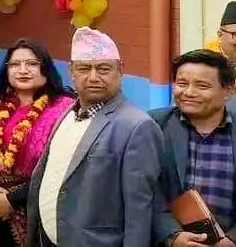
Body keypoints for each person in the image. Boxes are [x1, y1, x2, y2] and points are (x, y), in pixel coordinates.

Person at [26, 27, 164, 247]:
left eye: (103, 69)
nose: (93, 77)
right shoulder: (67, 113)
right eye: (84, 68)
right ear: (71, 71)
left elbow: (139, 213)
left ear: (120, 70)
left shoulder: (137, 126)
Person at [0, 40, 75, 246]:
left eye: (31, 64)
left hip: (42, 205)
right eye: (15, 64)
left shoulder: (65, 108)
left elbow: (62, 167)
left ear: (45, 68)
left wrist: (13, 199)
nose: (22, 70)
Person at [152, 49, 236, 247]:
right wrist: (172, 235)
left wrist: (232, 239)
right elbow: (144, 190)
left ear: (229, 90)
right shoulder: (153, 126)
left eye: (202, 86)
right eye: (182, 83)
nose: (189, 92)